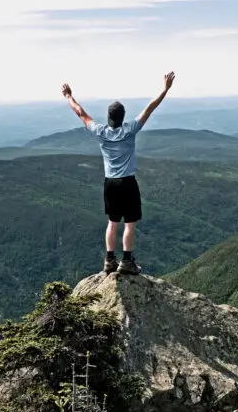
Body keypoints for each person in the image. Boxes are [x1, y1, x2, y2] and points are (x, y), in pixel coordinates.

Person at [62, 72, 176, 275]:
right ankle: (126, 261)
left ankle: (109, 260)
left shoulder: (100, 131)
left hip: (111, 183)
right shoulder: (130, 130)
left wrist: (68, 96)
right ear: (123, 117)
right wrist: (165, 89)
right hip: (128, 182)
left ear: (109, 117)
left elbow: (80, 113)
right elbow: (150, 108)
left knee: (112, 223)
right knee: (130, 224)